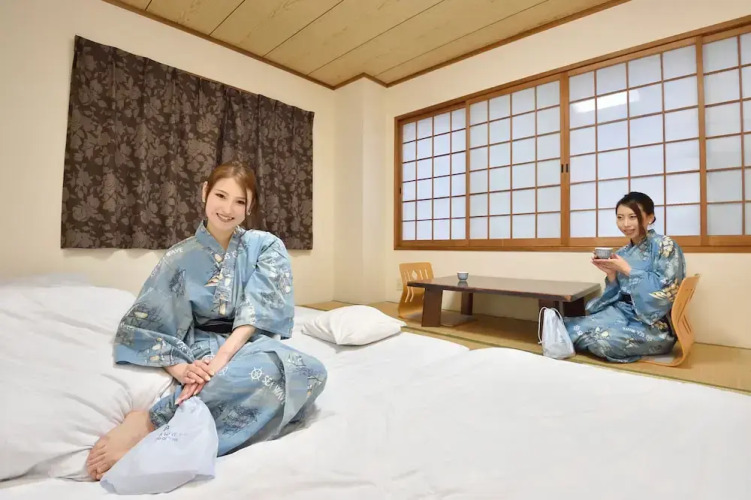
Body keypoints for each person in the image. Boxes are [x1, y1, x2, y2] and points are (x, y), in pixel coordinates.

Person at [86, 163, 327, 480]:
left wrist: (222, 359)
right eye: (221, 196)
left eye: (239, 201)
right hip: (202, 344)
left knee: (310, 372)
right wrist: (183, 369)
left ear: (250, 206)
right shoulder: (179, 257)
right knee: (255, 382)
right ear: (205, 192)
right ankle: (148, 423)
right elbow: (144, 326)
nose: (227, 209)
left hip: (248, 341)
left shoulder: (266, 246)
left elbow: (260, 306)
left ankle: (161, 422)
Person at [563, 191, 686, 363]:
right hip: (621, 314)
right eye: (620, 217)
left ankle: (582, 339)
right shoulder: (622, 252)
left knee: (602, 341)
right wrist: (611, 275)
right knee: (567, 326)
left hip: (653, 325)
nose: (625, 224)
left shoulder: (665, 246)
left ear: (650, 218)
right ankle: (578, 335)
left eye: (632, 217)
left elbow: (667, 291)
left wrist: (627, 269)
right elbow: (617, 295)